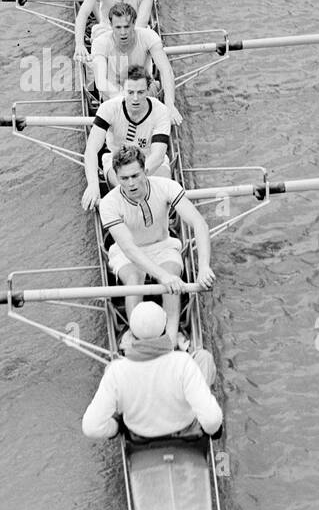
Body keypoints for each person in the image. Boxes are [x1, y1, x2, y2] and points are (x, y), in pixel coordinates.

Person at [94, 145, 215, 346]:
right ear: (116, 176)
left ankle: (169, 339)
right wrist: (161, 276)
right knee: (135, 278)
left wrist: (203, 267)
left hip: (163, 246)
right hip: (127, 254)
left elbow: (199, 224)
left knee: (172, 278)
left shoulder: (166, 186)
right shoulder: (109, 203)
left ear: (146, 171)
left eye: (135, 175)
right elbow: (129, 249)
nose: (131, 183)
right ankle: (137, 339)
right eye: (124, 178)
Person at [82, 300, 222, 441]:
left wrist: (116, 428)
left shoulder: (116, 370)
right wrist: (213, 431)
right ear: (164, 330)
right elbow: (212, 420)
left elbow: (91, 428)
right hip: (187, 432)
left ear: (132, 334)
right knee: (204, 357)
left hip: (139, 436)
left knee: (109, 368)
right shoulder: (183, 362)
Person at [82, 66, 172, 210]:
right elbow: (92, 149)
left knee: (164, 190)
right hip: (118, 163)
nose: (135, 98)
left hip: (151, 163)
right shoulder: (108, 108)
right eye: (130, 92)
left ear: (149, 89)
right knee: (129, 191)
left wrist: (138, 177)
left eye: (140, 92)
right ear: (122, 89)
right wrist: (93, 184)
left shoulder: (161, 111)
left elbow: (158, 155)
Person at [90, 6, 180, 122]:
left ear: (134, 24)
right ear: (111, 26)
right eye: (118, 27)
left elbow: (166, 71)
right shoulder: (100, 43)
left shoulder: (148, 36)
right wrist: (124, 98)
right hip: (114, 97)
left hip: (144, 93)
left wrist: (170, 104)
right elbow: (101, 82)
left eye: (127, 27)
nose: (123, 32)